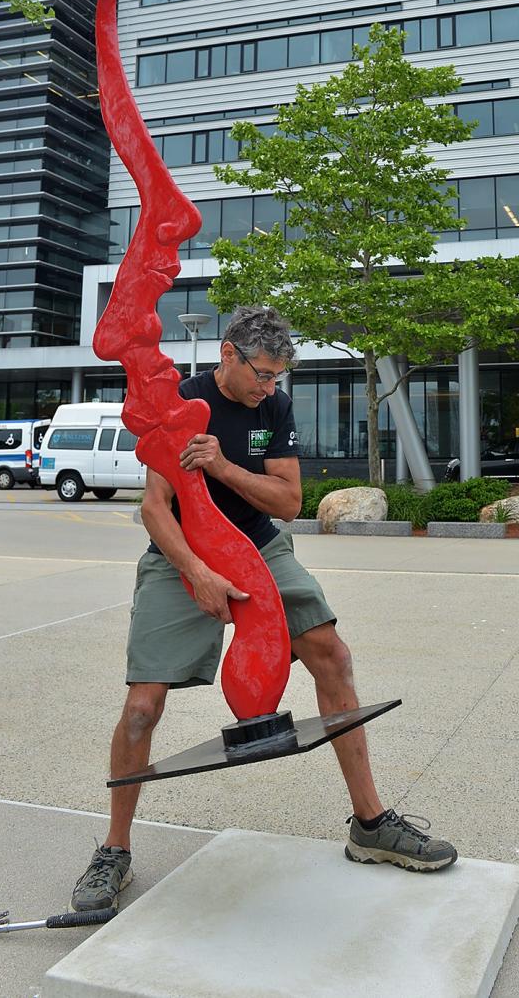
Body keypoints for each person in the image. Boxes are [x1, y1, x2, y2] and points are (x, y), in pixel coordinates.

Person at [72, 305, 456, 911]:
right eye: (262, 374)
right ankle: (113, 850)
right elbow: (153, 508)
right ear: (229, 354)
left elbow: (287, 500)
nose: (270, 387)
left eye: (278, 377)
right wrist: (197, 573)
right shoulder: (180, 400)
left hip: (260, 546)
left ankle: (371, 824)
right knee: (143, 706)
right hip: (182, 552)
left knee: (331, 654)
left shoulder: (271, 408)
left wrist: (223, 464)